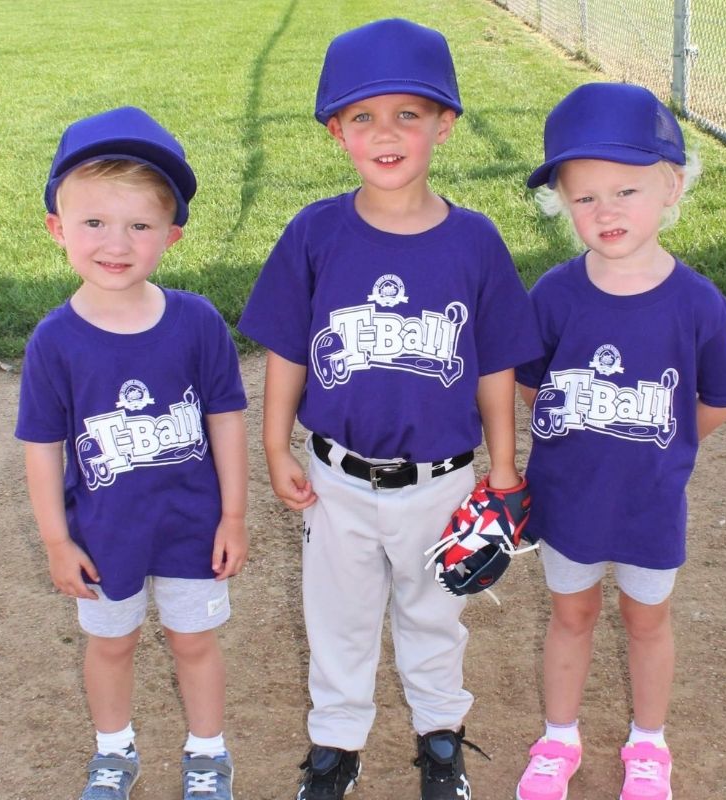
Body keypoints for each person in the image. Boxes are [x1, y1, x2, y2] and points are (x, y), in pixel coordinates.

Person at [238, 18, 543, 800]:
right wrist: (276, 447)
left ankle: (441, 740)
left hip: (442, 482)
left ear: (444, 123)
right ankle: (336, 748)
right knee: (336, 622)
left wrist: (503, 469)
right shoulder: (315, 232)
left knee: (435, 619)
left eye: (408, 113)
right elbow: (289, 351)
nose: (386, 133)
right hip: (334, 477)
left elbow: (496, 366)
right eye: (364, 116)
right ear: (337, 130)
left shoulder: (474, 241)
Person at [513, 82, 726, 800]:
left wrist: (665, 448)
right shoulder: (554, 294)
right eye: (585, 197)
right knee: (571, 614)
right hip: (567, 497)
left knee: (647, 621)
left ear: (672, 185)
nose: (606, 211)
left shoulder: (699, 302)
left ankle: (649, 745)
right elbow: (531, 386)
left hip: (649, 500)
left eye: (627, 190)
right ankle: (559, 737)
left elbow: (717, 403)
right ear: (561, 202)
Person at [15, 106, 249, 800]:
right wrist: (56, 540)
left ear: (170, 235)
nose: (115, 243)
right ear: (58, 228)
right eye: (93, 223)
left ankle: (207, 753)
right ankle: (114, 751)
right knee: (111, 643)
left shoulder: (197, 321)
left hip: (192, 528)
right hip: (104, 532)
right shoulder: (55, 341)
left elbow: (227, 420)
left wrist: (233, 515)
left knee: (193, 643)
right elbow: (41, 448)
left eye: (139, 225)